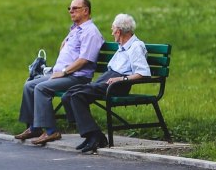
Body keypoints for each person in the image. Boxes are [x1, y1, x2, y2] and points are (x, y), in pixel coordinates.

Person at [16, 0, 104, 145]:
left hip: (76, 77)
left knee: (41, 88)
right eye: (69, 8)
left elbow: (84, 60)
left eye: (75, 8)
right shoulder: (76, 30)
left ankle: (51, 131)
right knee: (29, 84)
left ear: (85, 10)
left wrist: (64, 72)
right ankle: (34, 127)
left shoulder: (91, 32)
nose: (71, 11)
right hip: (63, 73)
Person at [61, 13, 151, 153]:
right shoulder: (122, 46)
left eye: (113, 29)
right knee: (69, 94)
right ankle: (90, 134)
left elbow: (143, 73)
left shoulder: (135, 47)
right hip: (108, 80)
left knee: (78, 96)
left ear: (119, 31)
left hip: (118, 85)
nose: (111, 32)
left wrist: (121, 79)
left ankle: (95, 136)